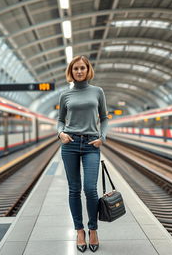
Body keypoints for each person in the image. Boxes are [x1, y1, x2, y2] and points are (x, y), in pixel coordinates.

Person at [57, 55, 108, 253]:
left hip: (91, 145)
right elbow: (60, 120)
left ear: (88, 70)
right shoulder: (65, 95)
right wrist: (60, 133)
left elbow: (104, 118)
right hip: (69, 144)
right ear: (71, 71)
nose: (79, 71)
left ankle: (93, 229)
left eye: (82, 68)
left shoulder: (97, 92)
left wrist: (102, 137)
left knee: (90, 189)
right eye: (76, 68)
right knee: (74, 189)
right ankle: (79, 231)